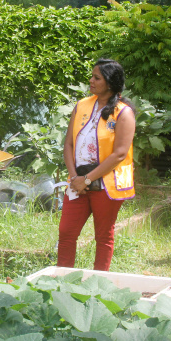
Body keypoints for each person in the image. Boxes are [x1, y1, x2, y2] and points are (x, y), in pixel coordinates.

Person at [57, 58, 136, 271]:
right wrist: (75, 178)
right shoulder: (82, 106)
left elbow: (119, 154)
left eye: (96, 77)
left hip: (106, 183)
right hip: (77, 182)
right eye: (92, 76)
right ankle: (61, 281)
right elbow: (69, 144)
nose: (91, 80)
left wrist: (88, 179)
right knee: (66, 233)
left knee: (103, 236)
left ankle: (99, 284)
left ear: (110, 83)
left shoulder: (123, 112)